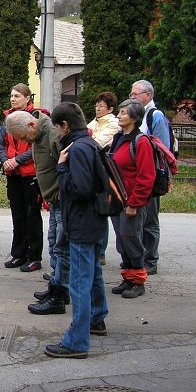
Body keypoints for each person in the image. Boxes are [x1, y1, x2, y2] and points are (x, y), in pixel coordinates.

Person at [45, 102, 108, 359]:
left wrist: (61, 166)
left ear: (65, 126)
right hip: (93, 221)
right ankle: (97, 318)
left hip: (82, 221)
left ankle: (77, 341)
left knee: (80, 281)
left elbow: (80, 189)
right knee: (93, 273)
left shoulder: (77, 149)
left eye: (58, 128)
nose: (58, 133)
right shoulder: (89, 144)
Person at [6, 109, 70, 315]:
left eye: (25, 137)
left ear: (32, 126)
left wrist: (60, 190)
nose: (26, 141)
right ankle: (57, 288)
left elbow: (68, 164)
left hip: (61, 198)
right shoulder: (39, 135)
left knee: (61, 247)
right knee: (55, 243)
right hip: (52, 198)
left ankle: (60, 295)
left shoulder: (52, 134)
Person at [0, 83, 47, 272]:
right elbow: (0, 144)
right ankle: (18, 254)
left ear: (28, 99)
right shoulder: (7, 119)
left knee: (32, 215)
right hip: (13, 174)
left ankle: (34, 256)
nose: (13, 99)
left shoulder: (36, 118)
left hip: (30, 174)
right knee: (17, 215)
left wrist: (17, 160)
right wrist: (6, 161)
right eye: (12, 95)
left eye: (17, 96)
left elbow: (38, 146)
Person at [108, 99, 156, 299]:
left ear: (135, 118)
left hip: (132, 201)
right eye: (119, 112)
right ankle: (128, 277)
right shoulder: (119, 138)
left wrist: (135, 204)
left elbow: (146, 176)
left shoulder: (141, 141)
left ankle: (138, 281)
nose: (119, 116)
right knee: (122, 239)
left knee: (132, 238)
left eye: (123, 113)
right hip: (118, 200)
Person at [130, 80, 170, 275]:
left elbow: (162, 149)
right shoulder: (139, 116)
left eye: (135, 94)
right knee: (140, 219)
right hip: (138, 175)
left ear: (148, 95)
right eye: (131, 94)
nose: (132, 97)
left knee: (150, 221)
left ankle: (151, 259)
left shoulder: (155, 116)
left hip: (151, 175)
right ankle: (139, 257)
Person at [87, 91, 120, 266]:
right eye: (97, 105)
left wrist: (88, 139)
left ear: (110, 108)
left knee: (102, 208)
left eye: (101, 106)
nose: (97, 109)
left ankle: (100, 252)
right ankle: (95, 248)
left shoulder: (113, 124)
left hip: (103, 170)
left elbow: (96, 143)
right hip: (92, 169)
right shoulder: (95, 121)